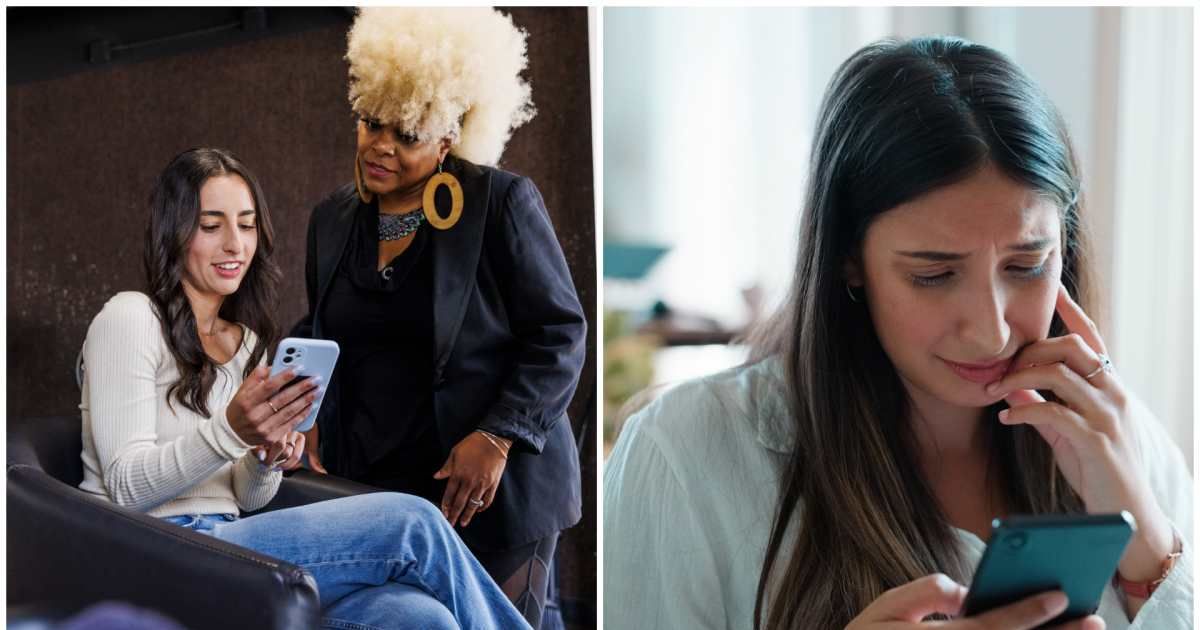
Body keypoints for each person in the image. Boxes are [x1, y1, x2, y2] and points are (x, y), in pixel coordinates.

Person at [604, 36, 1192, 630]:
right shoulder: (688, 455)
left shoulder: (1125, 442)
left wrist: (1149, 548)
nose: (990, 332)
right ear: (848, 259)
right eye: (933, 275)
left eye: (1026, 266)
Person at [79, 147, 531, 630]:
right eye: (211, 226)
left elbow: (247, 498)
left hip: (235, 539)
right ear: (173, 232)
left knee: (420, 617)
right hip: (153, 550)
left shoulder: (247, 344)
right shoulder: (129, 318)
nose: (234, 244)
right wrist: (231, 431)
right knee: (413, 525)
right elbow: (126, 488)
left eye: (247, 225)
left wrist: (265, 455)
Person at [290, 9, 587, 628]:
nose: (380, 146)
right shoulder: (333, 220)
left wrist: (498, 435)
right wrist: (307, 407)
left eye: (407, 133)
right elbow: (323, 327)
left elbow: (560, 332)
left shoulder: (500, 202)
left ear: (447, 138)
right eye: (372, 123)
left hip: (490, 492)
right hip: (382, 493)